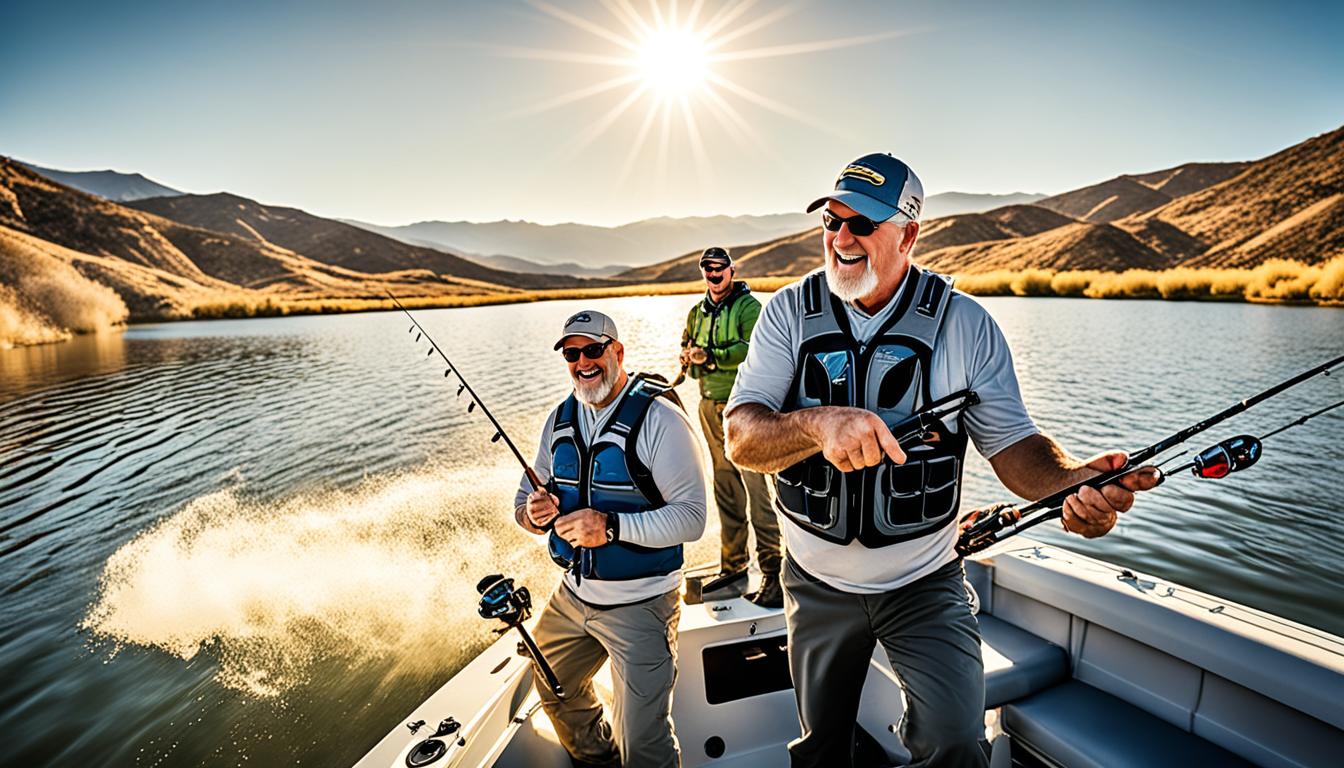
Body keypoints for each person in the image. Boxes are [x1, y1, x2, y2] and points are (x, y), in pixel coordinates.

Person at [723, 153, 1161, 767]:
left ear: (908, 234)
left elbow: (1015, 448)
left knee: (956, 744)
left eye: (863, 224)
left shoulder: (967, 326)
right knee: (821, 748)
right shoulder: (787, 314)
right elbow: (741, 438)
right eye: (831, 220)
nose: (841, 238)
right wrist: (819, 423)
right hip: (815, 582)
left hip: (925, 582)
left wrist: (1069, 485)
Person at [514, 309, 708, 768]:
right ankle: (601, 759)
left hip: (643, 603)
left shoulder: (660, 419)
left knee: (643, 741)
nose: (583, 362)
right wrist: (532, 513)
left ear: (617, 352)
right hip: (572, 598)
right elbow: (525, 496)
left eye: (594, 350)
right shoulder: (558, 419)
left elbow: (693, 518)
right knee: (553, 684)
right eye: (572, 354)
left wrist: (612, 527)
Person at [680, 246, 783, 607]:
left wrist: (711, 357)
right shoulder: (696, 313)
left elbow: (752, 349)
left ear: (731, 270)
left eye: (719, 267)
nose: (713, 273)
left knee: (757, 491)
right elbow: (687, 354)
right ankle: (734, 566)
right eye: (706, 268)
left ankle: (773, 572)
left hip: (744, 409)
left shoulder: (749, 308)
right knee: (725, 488)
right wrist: (689, 359)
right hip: (709, 408)